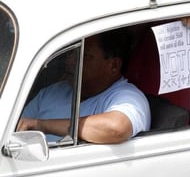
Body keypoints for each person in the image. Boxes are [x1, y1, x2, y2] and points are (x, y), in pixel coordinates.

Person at [17, 29, 151, 144]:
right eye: (71, 54)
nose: (70, 62)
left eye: (83, 56)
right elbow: (18, 130)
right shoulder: (52, 92)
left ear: (113, 65)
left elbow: (116, 128)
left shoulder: (127, 97)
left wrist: (43, 125)